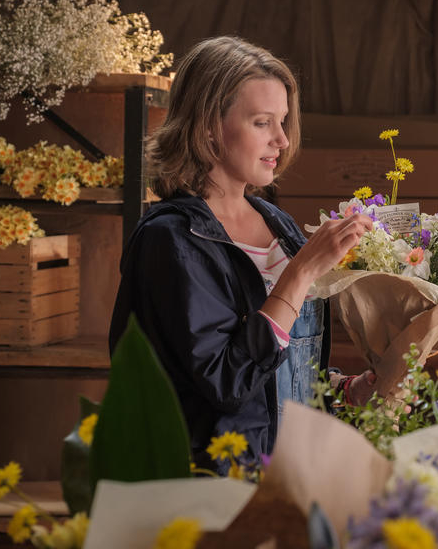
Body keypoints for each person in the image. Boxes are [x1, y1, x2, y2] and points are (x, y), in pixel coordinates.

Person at [109, 36, 375, 472]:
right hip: (220, 483)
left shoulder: (277, 223)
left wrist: (344, 390)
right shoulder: (171, 240)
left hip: (293, 473)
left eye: (283, 121)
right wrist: (301, 272)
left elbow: (278, 371)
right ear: (208, 126)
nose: (282, 140)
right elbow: (225, 382)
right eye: (262, 122)